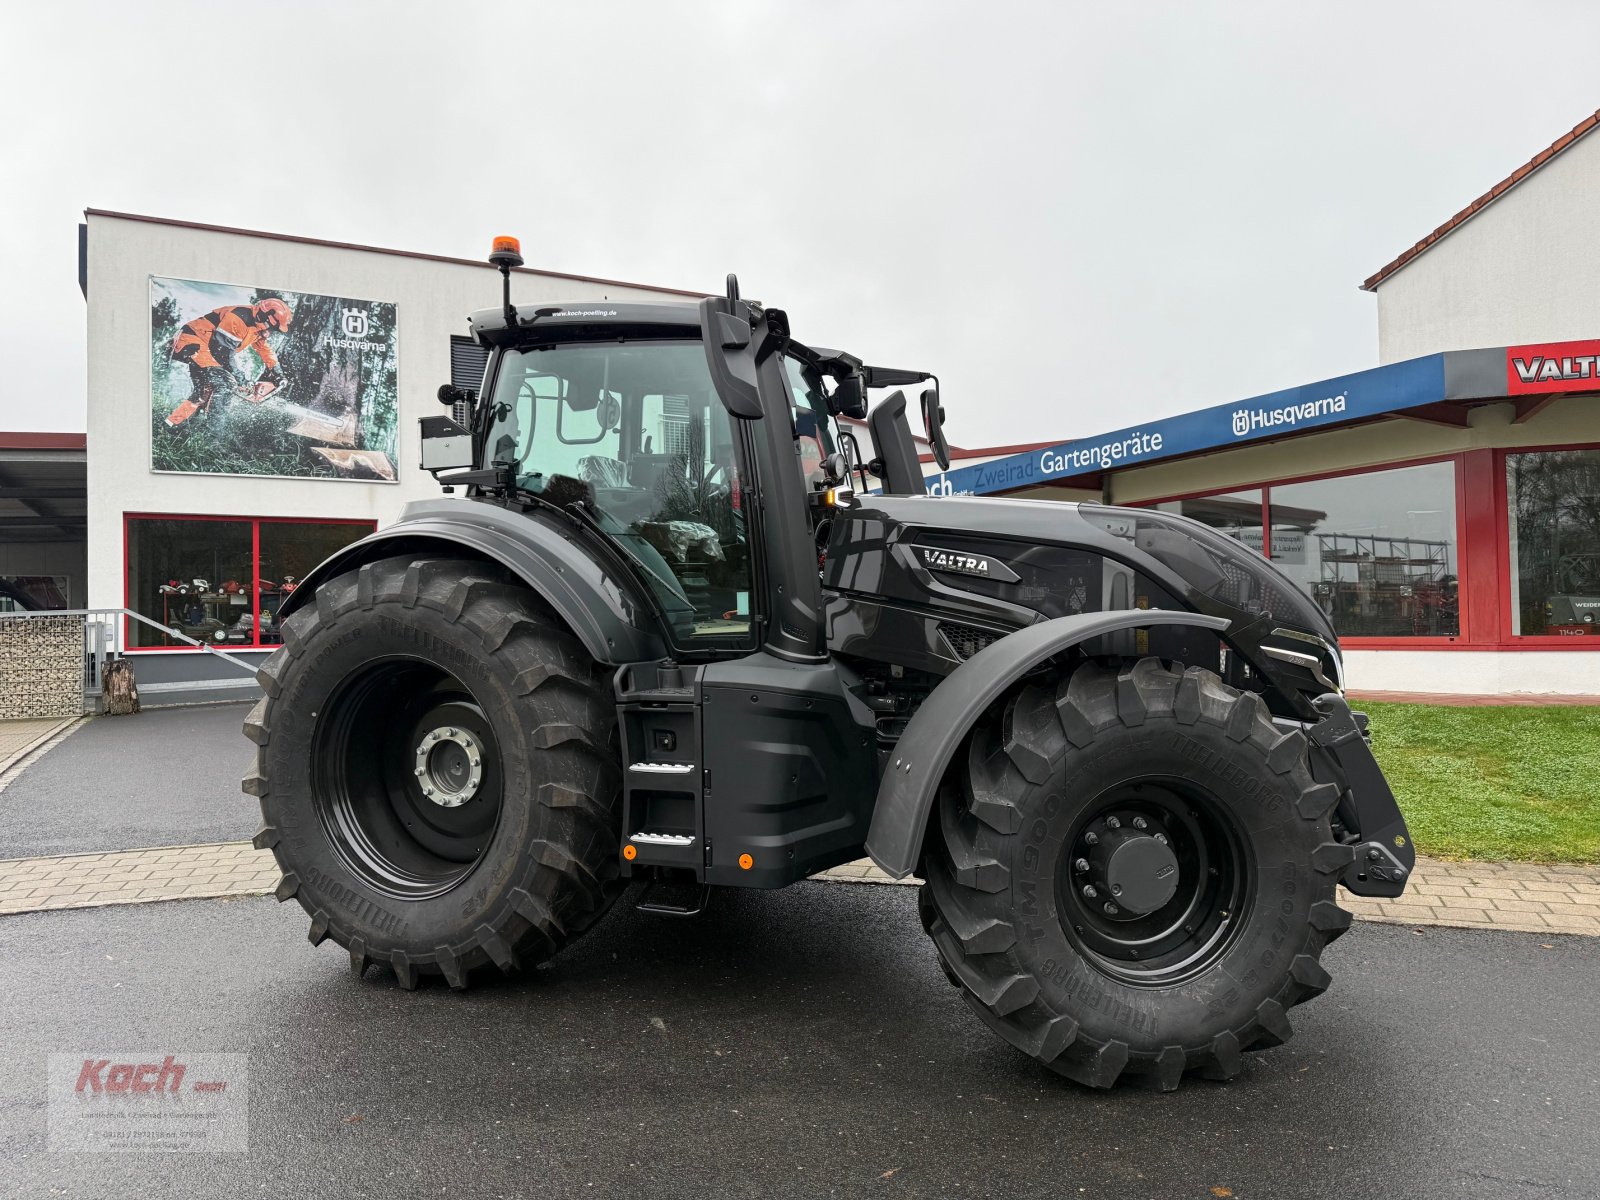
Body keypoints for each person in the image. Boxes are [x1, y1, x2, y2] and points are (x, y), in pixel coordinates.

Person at [166, 298, 293, 427]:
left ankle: (171, 424)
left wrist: (277, 372)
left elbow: (264, 349)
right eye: (272, 328)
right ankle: (213, 436)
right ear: (266, 318)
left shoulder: (257, 327)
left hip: (208, 349)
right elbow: (223, 352)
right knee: (225, 383)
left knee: (205, 391)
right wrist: (241, 380)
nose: (270, 332)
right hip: (192, 341)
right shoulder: (239, 318)